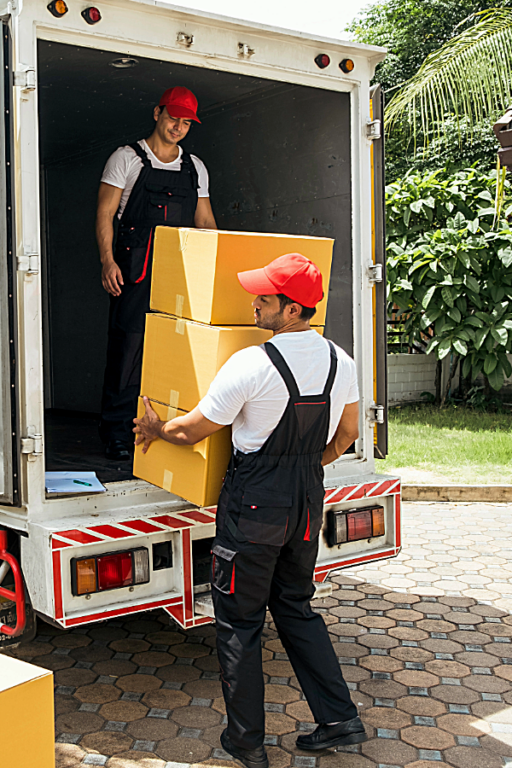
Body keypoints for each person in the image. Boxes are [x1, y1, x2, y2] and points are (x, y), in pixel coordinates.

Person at [133, 253, 365, 768]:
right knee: (296, 607)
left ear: (290, 309)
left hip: (254, 508)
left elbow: (192, 429)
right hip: (305, 502)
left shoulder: (252, 363)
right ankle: (339, 718)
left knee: (239, 624)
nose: (254, 302)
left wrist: (154, 430)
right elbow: (347, 434)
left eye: (264, 297)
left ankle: (247, 742)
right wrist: (304, 465)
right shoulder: (340, 362)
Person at [97, 86, 218, 461]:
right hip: (133, 273)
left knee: (174, 354)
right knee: (127, 353)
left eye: (186, 122)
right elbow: (105, 214)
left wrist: (217, 266)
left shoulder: (195, 167)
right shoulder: (127, 158)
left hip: (178, 275)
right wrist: (107, 261)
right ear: (157, 113)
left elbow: (204, 221)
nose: (178, 127)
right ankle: (117, 433)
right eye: (173, 118)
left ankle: (168, 433)